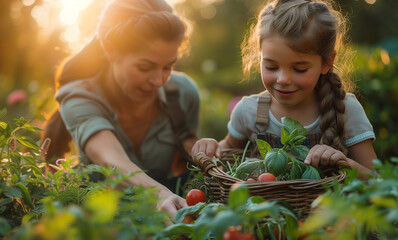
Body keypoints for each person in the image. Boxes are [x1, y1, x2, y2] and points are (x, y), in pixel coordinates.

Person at [42, 0, 200, 219]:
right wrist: (160, 195)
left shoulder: (184, 94)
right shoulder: (78, 97)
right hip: (100, 224)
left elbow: (183, 169)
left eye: (168, 67)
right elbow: (111, 158)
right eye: (144, 67)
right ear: (110, 50)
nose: (158, 81)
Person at [192, 0, 377, 176]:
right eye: (271, 67)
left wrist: (343, 162)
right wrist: (211, 148)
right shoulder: (248, 112)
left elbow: (377, 180)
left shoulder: (345, 109)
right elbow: (224, 157)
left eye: (299, 69)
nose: (283, 79)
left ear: (327, 62)